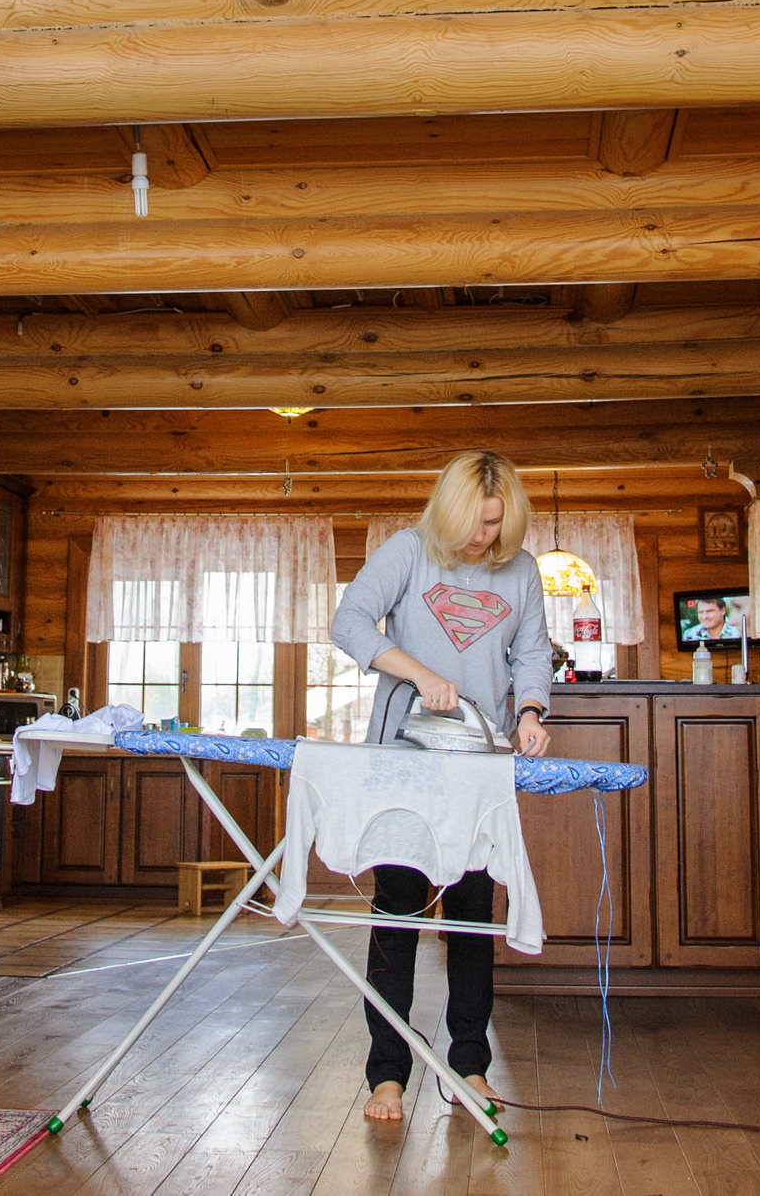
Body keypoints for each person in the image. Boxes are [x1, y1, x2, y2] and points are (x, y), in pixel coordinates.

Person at [329, 450, 553, 1123]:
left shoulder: (521, 571)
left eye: (496, 522)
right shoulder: (409, 551)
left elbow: (532, 653)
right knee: (397, 909)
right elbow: (349, 622)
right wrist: (416, 670)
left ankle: (469, 1066)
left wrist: (531, 711)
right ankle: (387, 1075)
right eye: (475, 521)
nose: (483, 536)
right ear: (448, 509)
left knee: (470, 916)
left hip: (476, 765)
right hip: (405, 758)